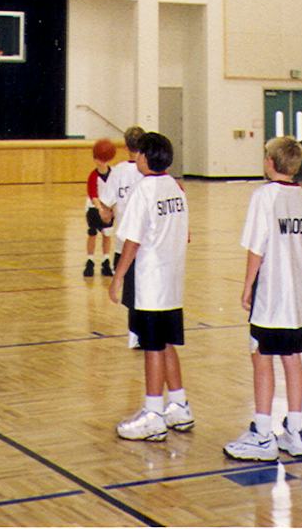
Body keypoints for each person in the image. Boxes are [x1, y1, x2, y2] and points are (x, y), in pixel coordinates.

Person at [223, 136, 302, 462]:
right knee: (292, 358)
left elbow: (256, 247)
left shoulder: (264, 197)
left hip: (271, 294)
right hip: (298, 298)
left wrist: (248, 286)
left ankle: (262, 433)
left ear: (271, 163)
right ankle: (296, 431)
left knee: (261, 356)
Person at [108, 131, 192, 441]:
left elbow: (132, 240)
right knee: (167, 342)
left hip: (150, 281)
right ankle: (180, 406)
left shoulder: (144, 190)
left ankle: (154, 413)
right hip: (172, 281)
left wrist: (117, 277)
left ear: (145, 157)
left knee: (152, 346)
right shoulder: (177, 188)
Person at [95, 125, 148, 280]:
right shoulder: (151, 171)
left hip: (123, 244)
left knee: (129, 294)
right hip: (147, 243)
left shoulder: (117, 172)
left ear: (125, 146)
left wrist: (105, 215)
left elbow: (105, 213)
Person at [83, 139, 115, 277]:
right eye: (97, 158)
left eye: (102, 159)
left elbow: (115, 193)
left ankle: (106, 260)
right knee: (92, 233)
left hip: (108, 208)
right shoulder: (93, 176)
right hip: (93, 208)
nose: (99, 161)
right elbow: (93, 194)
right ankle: (90, 260)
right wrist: (100, 210)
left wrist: (110, 209)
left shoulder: (114, 174)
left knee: (107, 234)